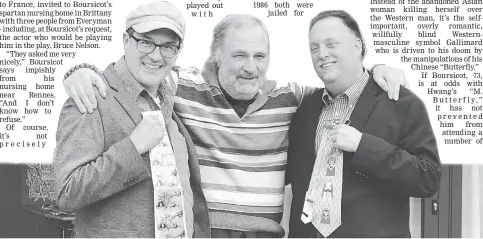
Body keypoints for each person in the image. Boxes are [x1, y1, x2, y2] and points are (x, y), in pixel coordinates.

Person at [61, 13, 408, 237]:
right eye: (239, 55)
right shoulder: (180, 88)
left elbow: (341, 89)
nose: (250, 67)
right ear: (216, 56)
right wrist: (79, 71)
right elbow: (139, 72)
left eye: (259, 57)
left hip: (266, 234)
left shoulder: (291, 98)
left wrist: (377, 70)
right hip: (207, 231)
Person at [53, 2, 210, 238]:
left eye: (168, 46)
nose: (156, 55)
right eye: (146, 42)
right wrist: (133, 148)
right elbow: (67, 193)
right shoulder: (90, 96)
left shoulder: (171, 92)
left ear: (178, 50)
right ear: (126, 40)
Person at [286, 10, 442, 238]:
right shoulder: (303, 108)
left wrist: (363, 146)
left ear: (358, 45)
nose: (322, 54)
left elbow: (429, 177)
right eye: (314, 47)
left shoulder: (400, 102)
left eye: (331, 44)